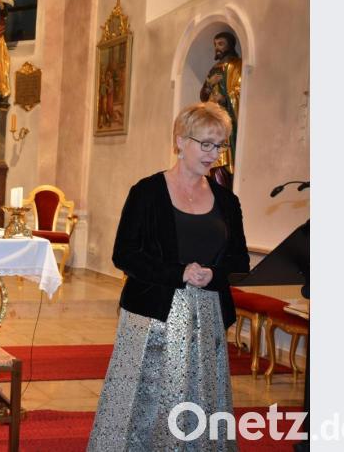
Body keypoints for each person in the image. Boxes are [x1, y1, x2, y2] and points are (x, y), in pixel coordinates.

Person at [87, 102, 249, 451]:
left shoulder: (226, 200)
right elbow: (125, 254)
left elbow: (240, 258)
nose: (213, 154)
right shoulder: (146, 192)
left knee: (200, 398)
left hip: (207, 316)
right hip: (152, 315)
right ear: (179, 141)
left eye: (219, 145)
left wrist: (214, 273)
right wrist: (179, 273)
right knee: (143, 401)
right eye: (205, 143)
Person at [200, 31, 242, 188]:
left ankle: (223, 200)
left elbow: (240, 91)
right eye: (215, 44)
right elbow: (203, 96)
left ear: (230, 45)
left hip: (227, 126)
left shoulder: (237, 65)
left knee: (222, 166)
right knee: (213, 165)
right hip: (213, 122)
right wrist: (210, 84)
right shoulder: (213, 69)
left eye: (221, 44)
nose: (217, 48)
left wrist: (225, 100)